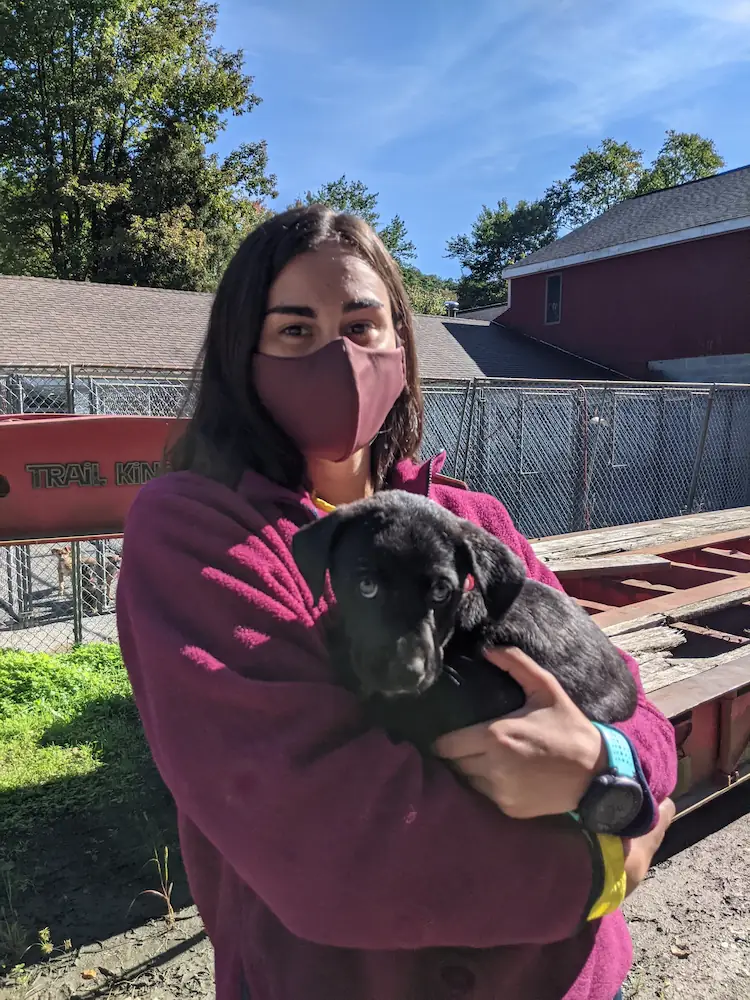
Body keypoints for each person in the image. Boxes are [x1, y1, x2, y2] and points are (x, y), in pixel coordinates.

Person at [116, 205, 677, 1000]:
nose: (338, 357)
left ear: (402, 344)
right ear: (244, 355)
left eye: (362, 325)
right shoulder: (200, 529)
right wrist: (605, 863)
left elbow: (630, 699)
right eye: (295, 330)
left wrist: (608, 765)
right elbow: (333, 855)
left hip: (575, 982)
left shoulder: (472, 521)